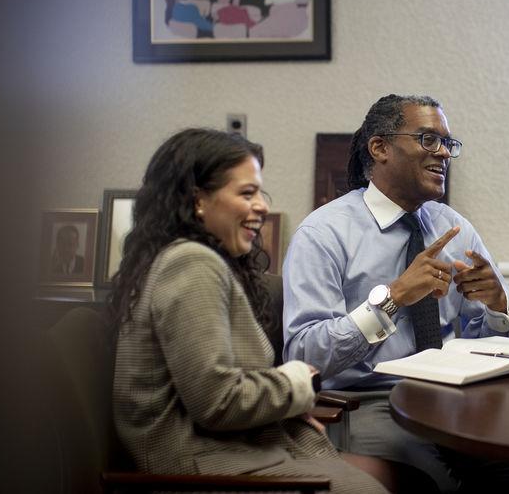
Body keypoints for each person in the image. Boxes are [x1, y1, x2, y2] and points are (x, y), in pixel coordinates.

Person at [108, 129, 390, 493]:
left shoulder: (193, 260)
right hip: (205, 469)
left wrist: (283, 401)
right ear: (198, 201)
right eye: (246, 193)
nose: (261, 206)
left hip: (237, 451)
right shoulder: (191, 264)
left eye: (259, 192)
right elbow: (218, 402)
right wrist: (298, 383)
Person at [284, 94, 509, 492]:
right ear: (380, 148)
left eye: (447, 143)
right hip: (370, 403)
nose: (444, 154)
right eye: (428, 140)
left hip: (458, 400)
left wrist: (497, 306)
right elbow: (303, 355)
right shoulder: (324, 234)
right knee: (436, 484)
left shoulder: (453, 227)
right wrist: (393, 298)